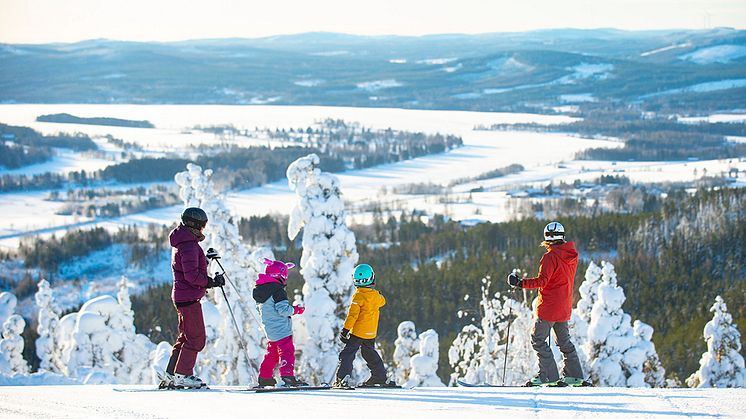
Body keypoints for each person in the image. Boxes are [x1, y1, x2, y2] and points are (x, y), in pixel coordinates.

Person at [507, 221, 587, 387]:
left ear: (547, 238)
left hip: (549, 307)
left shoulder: (550, 257)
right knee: (564, 342)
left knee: (538, 339)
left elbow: (542, 281)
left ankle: (548, 376)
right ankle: (575, 376)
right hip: (564, 306)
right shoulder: (571, 255)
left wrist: (519, 283)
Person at [163, 207, 225, 389]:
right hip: (189, 298)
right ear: (195, 224)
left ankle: (172, 374)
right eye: (202, 225)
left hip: (183, 297)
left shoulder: (184, 243)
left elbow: (191, 268)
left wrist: (206, 259)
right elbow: (192, 276)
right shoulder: (189, 245)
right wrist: (212, 282)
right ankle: (183, 375)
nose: (203, 229)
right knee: (196, 339)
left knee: (185, 337)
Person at [333, 264, 395, 388]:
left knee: (348, 353)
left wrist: (345, 330)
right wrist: (377, 293)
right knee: (369, 353)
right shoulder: (376, 296)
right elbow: (383, 301)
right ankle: (380, 376)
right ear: (372, 278)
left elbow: (352, 315)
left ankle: (342, 378)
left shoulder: (358, 296)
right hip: (371, 333)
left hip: (358, 332)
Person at [252, 258, 307, 387]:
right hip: (281, 329)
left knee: (272, 354)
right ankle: (287, 376)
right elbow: (283, 310)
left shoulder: (261, 290)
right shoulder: (277, 291)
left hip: (270, 329)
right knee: (286, 352)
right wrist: (296, 310)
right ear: (281, 275)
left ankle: (264, 377)